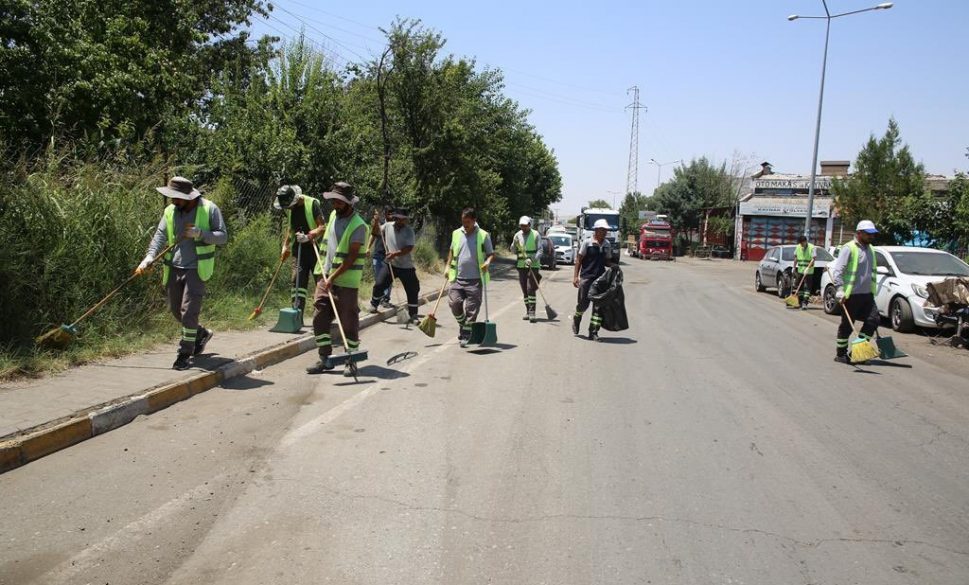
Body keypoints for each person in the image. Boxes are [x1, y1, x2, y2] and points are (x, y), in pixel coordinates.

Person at [137, 177, 227, 370]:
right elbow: (160, 235)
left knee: (188, 313)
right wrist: (149, 257)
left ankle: (184, 354)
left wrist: (201, 233)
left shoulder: (209, 209)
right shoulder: (170, 211)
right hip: (174, 267)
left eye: (176, 198)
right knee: (176, 310)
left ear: (188, 197)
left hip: (197, 268)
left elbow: (222, 237)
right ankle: (200, 333)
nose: (173, 201)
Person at [305, 182, 370, 376]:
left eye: (340, 201)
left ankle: (352, 360)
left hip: (346, 282)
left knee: (348, 322)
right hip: (326, 278)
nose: (335, 204)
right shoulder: (333, 215)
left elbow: (350, 258)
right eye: (334, 200)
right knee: (319, 318)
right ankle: (325, 359)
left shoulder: (359, 226)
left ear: (350, 202)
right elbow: (328, 238)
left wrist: (333, 277)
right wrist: (312, 236)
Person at [830, 220, 880, 364]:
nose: (872, 237)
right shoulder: (849, 248)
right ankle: (841, 354)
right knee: (847, 326)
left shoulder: (871, 249)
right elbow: (838, 271)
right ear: (859, 233)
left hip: (867, 295)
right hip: (850, 295)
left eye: (873, 234)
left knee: (873, 320)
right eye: (868, 234)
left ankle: (858, 351)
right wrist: (839, 290)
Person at [446, 208, 495, 347]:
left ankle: (466, 334)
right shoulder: (456, 233)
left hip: (475, 280)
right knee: (454, 304)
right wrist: (447, 266)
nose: (465, 224)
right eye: (463, 221)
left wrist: (487, 262)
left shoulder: (483, 235)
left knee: (471, 311)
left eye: (468, 222)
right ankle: (463, 325)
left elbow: (491, 253)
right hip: (457, 278)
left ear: (474, 221)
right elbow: (451, 250)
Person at [275, 185, 326, 318]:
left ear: (295, 199)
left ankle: (322, 315)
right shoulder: (291, 208)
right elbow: (291, 229)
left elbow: (322, 227)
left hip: (315, 250)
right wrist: (285, 246)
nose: (288, 209)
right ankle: (297, 315)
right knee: (297, 280)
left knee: (320, 282)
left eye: (289, 206)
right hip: (298, 251)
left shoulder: (312, 204)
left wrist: (309, 236)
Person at [369, 208, 421, 322]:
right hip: (390, 264)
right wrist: (375, 222)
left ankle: (413, 315)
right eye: (398, 219)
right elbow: (376, 232)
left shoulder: (409, 231)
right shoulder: (387, 226)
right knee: (379, 284)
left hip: (406, 266)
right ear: (395, 218)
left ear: (406, 220)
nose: (400, 222)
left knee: (413, 288)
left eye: (403, 220)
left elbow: (409, 248)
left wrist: (395, 254)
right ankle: (374, 304)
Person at [572, 219, 614, 342]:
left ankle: (593, 332)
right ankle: (577, 317)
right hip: (586, 278)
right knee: (583, 304)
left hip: (600, 279)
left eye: (606, 230)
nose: (605, 232)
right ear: (596, 230)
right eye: (603, 230)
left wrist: (613, 267)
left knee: (598, 307)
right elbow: (579, 260)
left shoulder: (607, 244)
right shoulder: (587, 243)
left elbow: (607, 261)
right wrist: (576, 277)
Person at [511, 215, 542, 323]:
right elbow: (513, 251)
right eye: (521, 226)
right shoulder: (517, 235)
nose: (523, 228)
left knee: (530, 288)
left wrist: (533, 260)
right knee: (524, 289)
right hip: (521, 265)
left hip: (533, 266)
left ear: (529, 225)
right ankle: (528, 311)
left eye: (525, 226)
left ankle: (532, 312)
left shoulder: (536, 234)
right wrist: (514, 244)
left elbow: (540, 250)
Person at [368, 207, 394, 308]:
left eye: (393, 213)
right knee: (378, 279)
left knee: (388, 278)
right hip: (378, 255)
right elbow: (373, 235)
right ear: (386, 214)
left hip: (389, 256)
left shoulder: (395, 226)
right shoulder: (380, 223)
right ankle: (378, 298)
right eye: (389, 213)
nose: (391, 215)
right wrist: (368, 248)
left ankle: (386, 299)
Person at [794, 234, 817, 310]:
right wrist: (794, 267)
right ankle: (800, 302)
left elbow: (813, 259)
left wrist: (807, 268)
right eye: (800, 243)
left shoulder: (812, 247)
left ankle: (805, 303)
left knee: (807, 288)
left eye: (802, 243)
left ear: (805, 241)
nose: (801, 245)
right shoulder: (798, 247)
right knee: (799, 286)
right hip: (800, 270)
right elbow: (796, 257)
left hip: (809, 271)